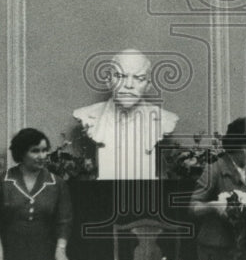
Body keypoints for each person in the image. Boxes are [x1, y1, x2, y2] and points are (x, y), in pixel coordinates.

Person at [73, 49, 178, 181]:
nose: (129, 85)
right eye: (121, 76)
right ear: (108, 81)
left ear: (148, 86)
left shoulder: (164, 119)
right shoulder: (87, 115)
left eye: (139, 78)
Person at [189, 117, 246, 260]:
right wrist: (213, 206)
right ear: (236, 145)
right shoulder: (213, 170)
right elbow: (193, 207)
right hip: (217, 249)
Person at [0, 127, 72, 260]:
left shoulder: (57, 183)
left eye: (44, 150)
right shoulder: (0, 181)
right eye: (35, 151)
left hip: (45, 256)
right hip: (8, 256)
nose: (42, 156)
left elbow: (64, 221)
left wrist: (61, 252)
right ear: (21, 152)